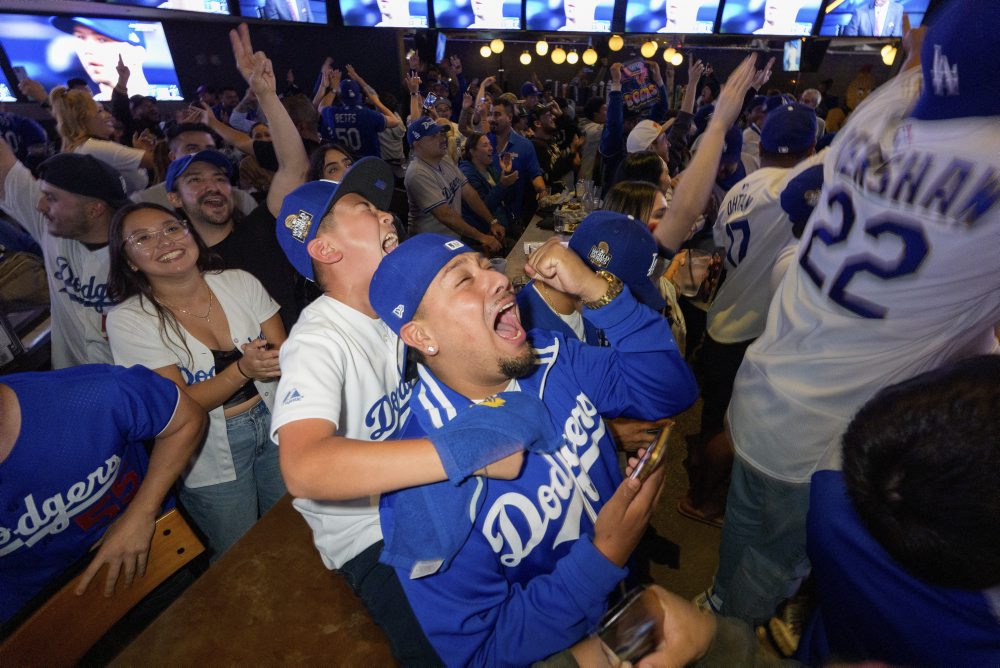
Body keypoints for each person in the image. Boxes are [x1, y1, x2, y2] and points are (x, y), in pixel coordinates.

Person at [709, 2, 1000, 625]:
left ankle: (718, 605)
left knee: (744, 531)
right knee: (770, 568)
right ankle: (726, 635)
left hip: (764, 383)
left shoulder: (881, 110)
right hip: (827, 435)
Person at [367, 228, 698, 665]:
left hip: (628, 598)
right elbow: (481, 651)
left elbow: (672, 390)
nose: (500, 279)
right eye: (462, 280)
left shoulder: (551, 354)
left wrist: (599, 290)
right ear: (422, 336)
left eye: (486, 265)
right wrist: (605, 554)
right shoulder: (419, 490)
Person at [271, 157, 532, 665]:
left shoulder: (397, 309)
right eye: (364, 209)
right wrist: (466, 452)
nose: (388, 215)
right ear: (325, 248)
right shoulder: (318, 339)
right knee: (453, 653)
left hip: (429, 495)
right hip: (370, 535)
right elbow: (304, 468)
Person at [105, 202, 287, 559]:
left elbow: (285, 355)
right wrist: (244, 370)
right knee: (239, 554)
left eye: (172, 228)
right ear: (128, 260)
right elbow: (178, 408)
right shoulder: (129, 320)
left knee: (293, 527)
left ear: (190, 233)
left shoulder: (239, 281)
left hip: (277, 423)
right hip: (207, 446)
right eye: (143, 238)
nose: (164, 241)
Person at [683, 104, 819, 529]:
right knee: (736, 426)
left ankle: (699, 475)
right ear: (811, 147)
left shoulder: (740, 189)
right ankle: (699, 500)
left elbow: (722, 248)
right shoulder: (794, 190)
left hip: (723, 316)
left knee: (715, 416)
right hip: (753, 330)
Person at [0, 364, 207, 626]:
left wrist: (141, 512)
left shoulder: (94, 393)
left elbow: (186, 418)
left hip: (148, 563)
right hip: (36, 618)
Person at [164, 24, 309, 333]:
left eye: (218, 177)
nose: (212, 186)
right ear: (174, 198)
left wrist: (266, 95)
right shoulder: (178, 263)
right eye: (195, 180)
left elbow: (293, 168)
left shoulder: (261, 229)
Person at [0, 147, 129, 368]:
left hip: (130, 390)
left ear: (94, 209)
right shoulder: (56, 232)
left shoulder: (142, 256)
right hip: (70, 385)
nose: (40, 205)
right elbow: (4, 173)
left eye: (50, 197)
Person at [403, 116, 503, 254]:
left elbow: (469, 193)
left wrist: (492, 221)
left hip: (451, 241)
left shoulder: (444, 158)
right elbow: (445, 215)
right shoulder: (417, 173)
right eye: (433, 136)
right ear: (416, 144)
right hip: (429, 248)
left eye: (442, 133)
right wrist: (482, 237)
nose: (442, 138)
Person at [131, 122, 259, 215]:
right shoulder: (145, 201)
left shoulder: (241, 200)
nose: (201, 154)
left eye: (209, 149)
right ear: (173, 156)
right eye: (192, 148)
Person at [49, 86, 155, 194]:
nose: (108, 115)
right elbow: (157, 160)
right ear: (82, 119)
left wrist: (140, 151)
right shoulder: (95, 147)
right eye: (100, 111)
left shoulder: (81, 147)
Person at [50, 17, 151, 100]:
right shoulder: (91, 109)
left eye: (102, 40)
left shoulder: (158, 100)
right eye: (80, 37)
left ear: (137, 53)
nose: (87, 50)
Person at [487, 98, 546, 226]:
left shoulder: (524, 145)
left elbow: (535, 175)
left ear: (509, 117)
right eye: (490, 114)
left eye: (497, 114)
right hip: (485, 215)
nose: (492, 118)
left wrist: (543, 193)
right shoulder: (484, 142)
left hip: (512, 218)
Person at [319, 66, 400, 159]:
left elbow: (321, 107)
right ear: (359, 96)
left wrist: (333, 89)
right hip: (370, 165)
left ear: (340, 97)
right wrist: (377, 102)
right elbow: (395, 121)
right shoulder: (367, 114)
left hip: (347, 167)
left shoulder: (332, 113)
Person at [458, 132, 517, 237]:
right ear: (472, 152)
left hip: (504, 226)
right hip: (486, 233)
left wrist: (507, 175)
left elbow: (507, 199)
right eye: (485, 145)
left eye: (490, 144)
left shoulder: (489, 167)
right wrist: (502, 185)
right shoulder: (467, 174)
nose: (491, 148)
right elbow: (483, 206)